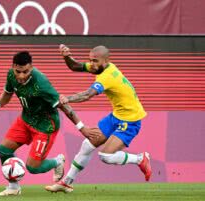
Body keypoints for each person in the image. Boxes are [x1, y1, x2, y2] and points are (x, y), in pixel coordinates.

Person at [45, 44, 152, 193]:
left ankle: (140, 159)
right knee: (87, 145)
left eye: (95, 61)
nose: (92, 65)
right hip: (116, 116)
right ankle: (66, 183)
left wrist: (67, 99)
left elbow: (88, 94)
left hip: (130, 120)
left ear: (106, 60)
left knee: (106, 156)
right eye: (90, 60)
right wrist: (66, 56)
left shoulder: (107, 76)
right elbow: (75, 66)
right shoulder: (101, 67)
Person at [0, 51, 91, 196]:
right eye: (18, 71)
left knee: (33, 168)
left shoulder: (41, 83)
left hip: (45, 126)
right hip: (25, 119)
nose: (21, 76)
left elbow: (63, 105)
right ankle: (14, 187)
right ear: (13, 67)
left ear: (32, 68)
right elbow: (8, 93)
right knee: (4, 150)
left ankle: (57, 162)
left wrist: (82, 127)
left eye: (26, 72)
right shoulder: (11, 75)